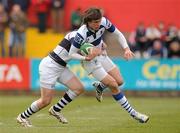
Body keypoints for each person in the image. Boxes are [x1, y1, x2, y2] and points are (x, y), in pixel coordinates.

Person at [69, 7, 149, 123]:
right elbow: (72, 54)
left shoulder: (104, 21)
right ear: (88, 22)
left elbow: (118, 34)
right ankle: (134, 114)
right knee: (113, 85)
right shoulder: (81, 34)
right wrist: (86, 57)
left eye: (99, 21)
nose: (98, 24)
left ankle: (100, 86)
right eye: (95, 22)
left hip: (101, 54)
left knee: (120, 81)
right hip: (90, 61)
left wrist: (126, 49)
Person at [16, 31, 87, 127]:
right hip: (50, 66)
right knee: (45, 101)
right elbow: (73, 52)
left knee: (78, 88)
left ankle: (56, 109)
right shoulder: (75, 35)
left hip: (61, 67)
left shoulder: (85, 36)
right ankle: (22, 117)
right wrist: (86, 57)